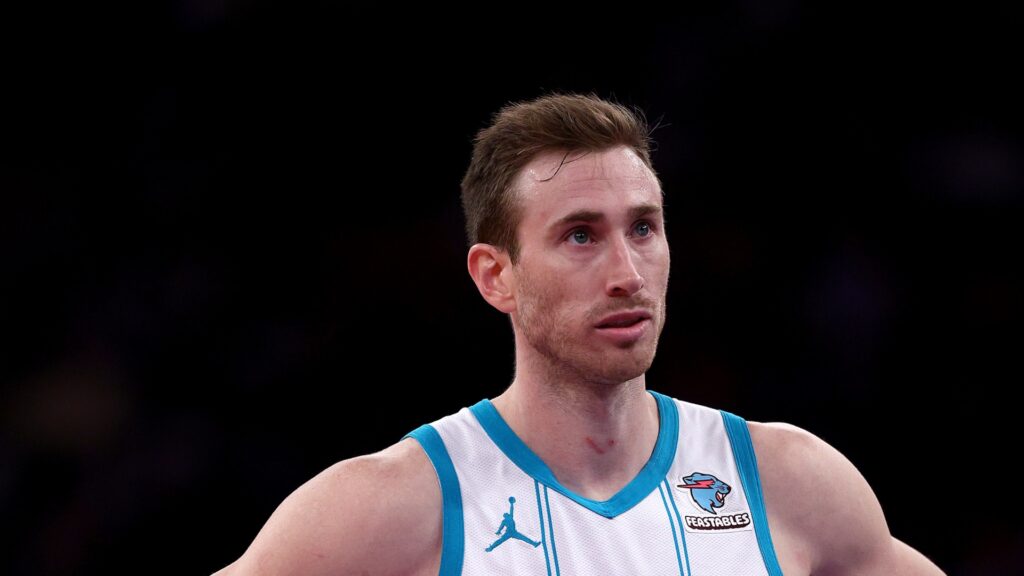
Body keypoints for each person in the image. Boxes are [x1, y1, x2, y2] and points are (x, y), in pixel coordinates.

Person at [214, 93, 944, 575]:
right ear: (495, 276)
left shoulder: (788, 482)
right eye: (581, 236)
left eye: (643, 228)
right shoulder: (395, 506)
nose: (627, 272)